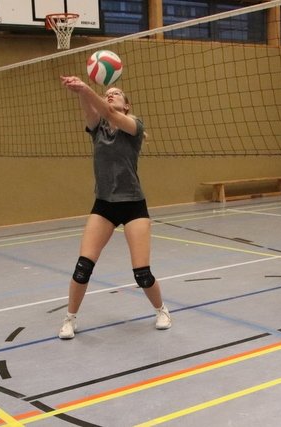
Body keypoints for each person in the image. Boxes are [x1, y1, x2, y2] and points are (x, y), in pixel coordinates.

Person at [58, 76, 171, 339]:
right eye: (107, 93)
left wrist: (86, 88)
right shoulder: (98, 128)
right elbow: (93, 111)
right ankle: (70, 319)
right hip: (104, 206)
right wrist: (80, 92)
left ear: (127, 105)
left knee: (142, 274)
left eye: (117, 93)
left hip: (133, 205)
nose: (111, 95)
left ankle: (162, 310)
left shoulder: (135, 127)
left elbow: (109, 112)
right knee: (83, 267)